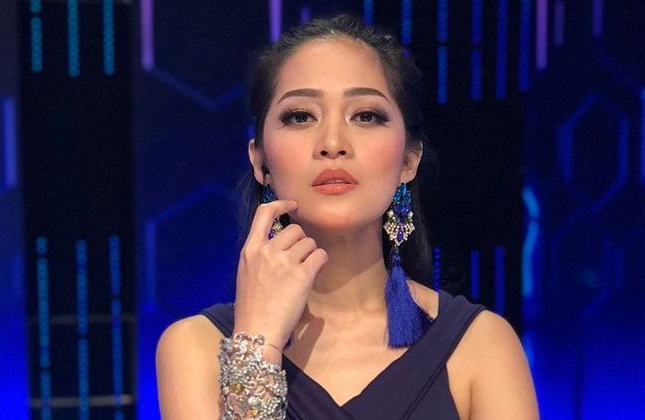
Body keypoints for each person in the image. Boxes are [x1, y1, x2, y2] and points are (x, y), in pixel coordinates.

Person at [156, 15, 538, 419]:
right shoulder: (195, 347)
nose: (333, 143)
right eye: (300, 116)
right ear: (260, 161)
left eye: (366, 116)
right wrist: (257, 346)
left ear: (409, 160)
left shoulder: (480, 345)